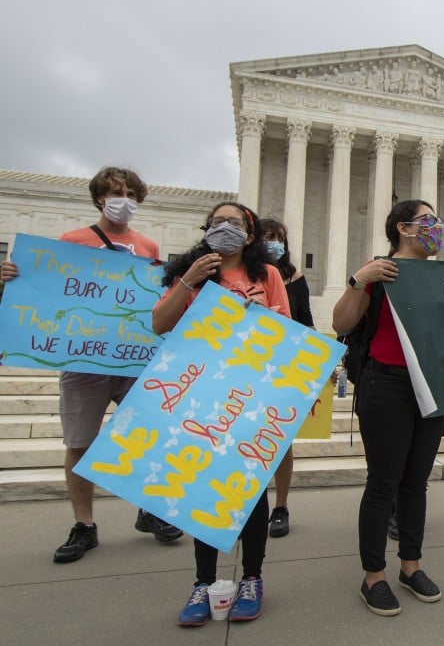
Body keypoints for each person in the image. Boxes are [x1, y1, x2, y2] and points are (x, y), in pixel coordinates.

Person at [0, 166, 183, 563]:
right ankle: (85, 524)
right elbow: (47, 289)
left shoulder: (149, 247)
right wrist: (13, 277)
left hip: (134, 360)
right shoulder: (71, 241)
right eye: (117, 193)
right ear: (100, 197)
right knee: (79, 443)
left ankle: (149, 510)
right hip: (83, 361)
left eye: (132, 194)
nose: (125, 201)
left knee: (146, 438)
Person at [153, 202, 290, 626]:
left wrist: (263, 317)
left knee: (248, 492)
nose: (225, 228)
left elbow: (288, 332)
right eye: (217, 222)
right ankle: (203, 582)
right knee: (201, 488)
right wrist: (189, 282)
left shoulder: (266, 275)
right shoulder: (191, 274)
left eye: (234, 223)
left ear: (250, 234)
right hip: (200, 393)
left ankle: (252, 577)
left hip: (249, 394)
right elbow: (159, 323)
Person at [331, 199, 444, 616]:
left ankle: (411, 567)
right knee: (383, 483)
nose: (436, 226)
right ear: (403, 228)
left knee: (416, 484)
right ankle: (373, 577)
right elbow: (341, 323)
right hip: (386, 382)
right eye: (427, 220)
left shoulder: (443, 277)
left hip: (431, 387)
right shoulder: (379, 271)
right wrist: (357, 281)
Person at [261, 218, 315, 538]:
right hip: (243, 368)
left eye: (278, 237)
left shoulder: (295, 278)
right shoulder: (240, 276)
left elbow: (305, 322)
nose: (273, 243)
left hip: (281, 368)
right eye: (267, 237)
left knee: (281, 443)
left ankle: (280, 506)